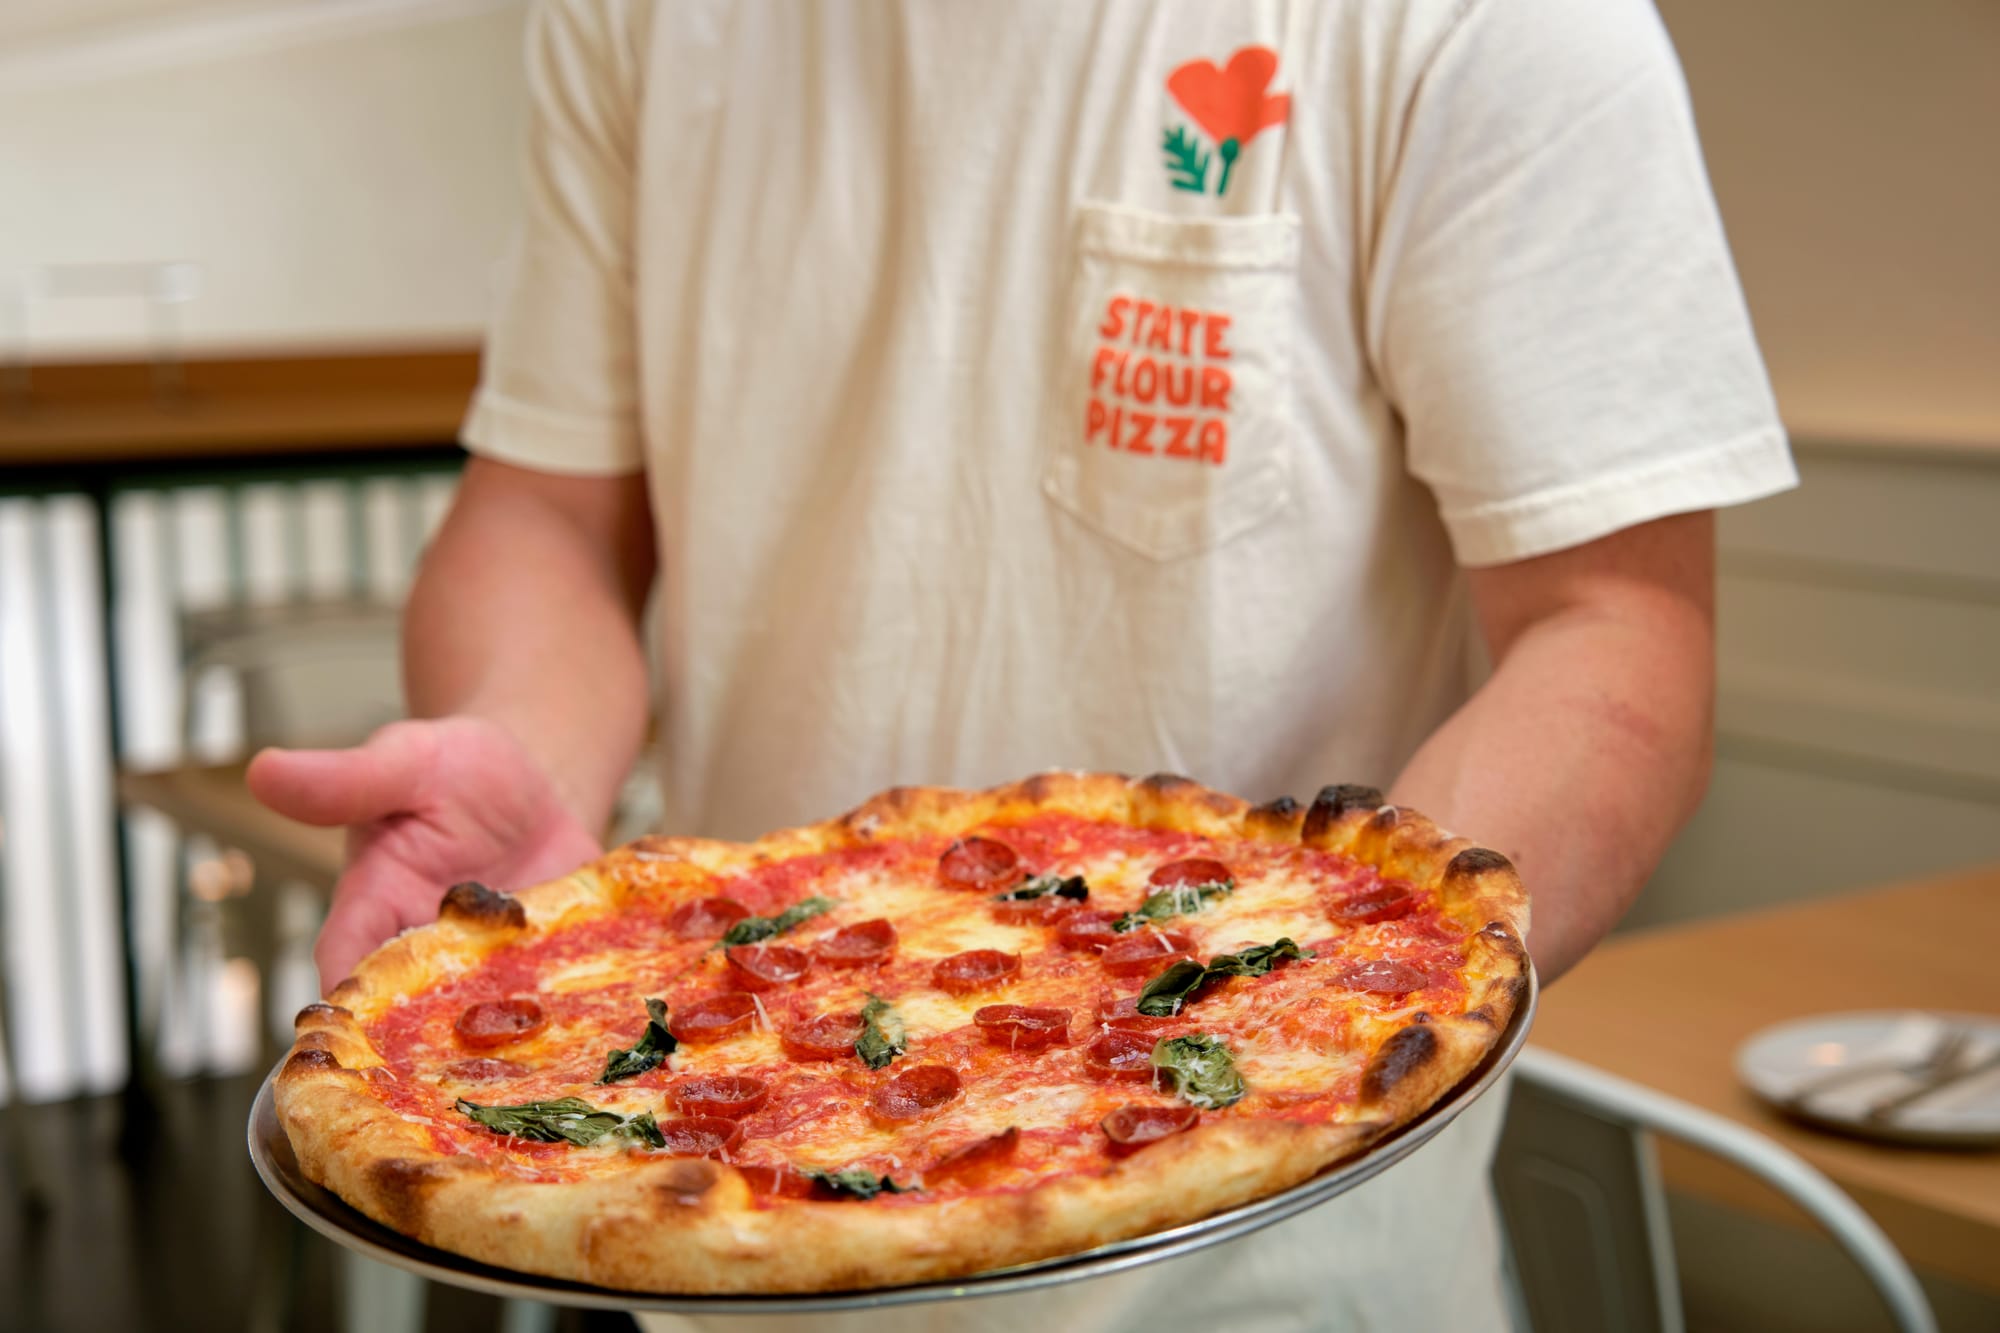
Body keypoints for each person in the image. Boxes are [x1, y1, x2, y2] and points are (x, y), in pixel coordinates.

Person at [249, 0, 1796, 1327]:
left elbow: (1616, 629)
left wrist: (1343, 970)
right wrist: (524, 739)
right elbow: (550, 514)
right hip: (729, 1219)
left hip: (1283, 1274)